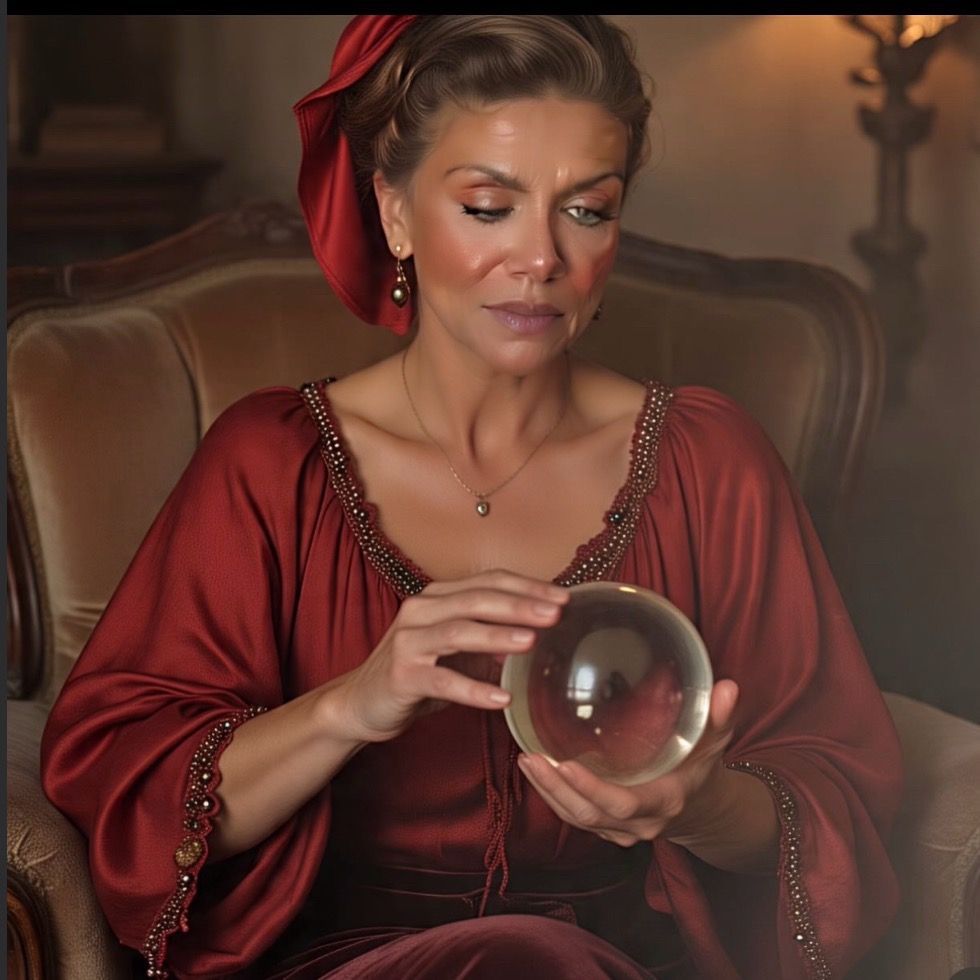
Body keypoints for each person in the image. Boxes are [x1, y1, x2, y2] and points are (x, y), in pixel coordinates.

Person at [40, 14, 903, 980]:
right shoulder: (269, 462)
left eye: (588, 209)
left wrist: (698, 807)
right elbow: (126, 796)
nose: (541, 258)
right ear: (396, 213)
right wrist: (353, 706)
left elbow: (838, 802)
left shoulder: (709, 461)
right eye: (489, 206)